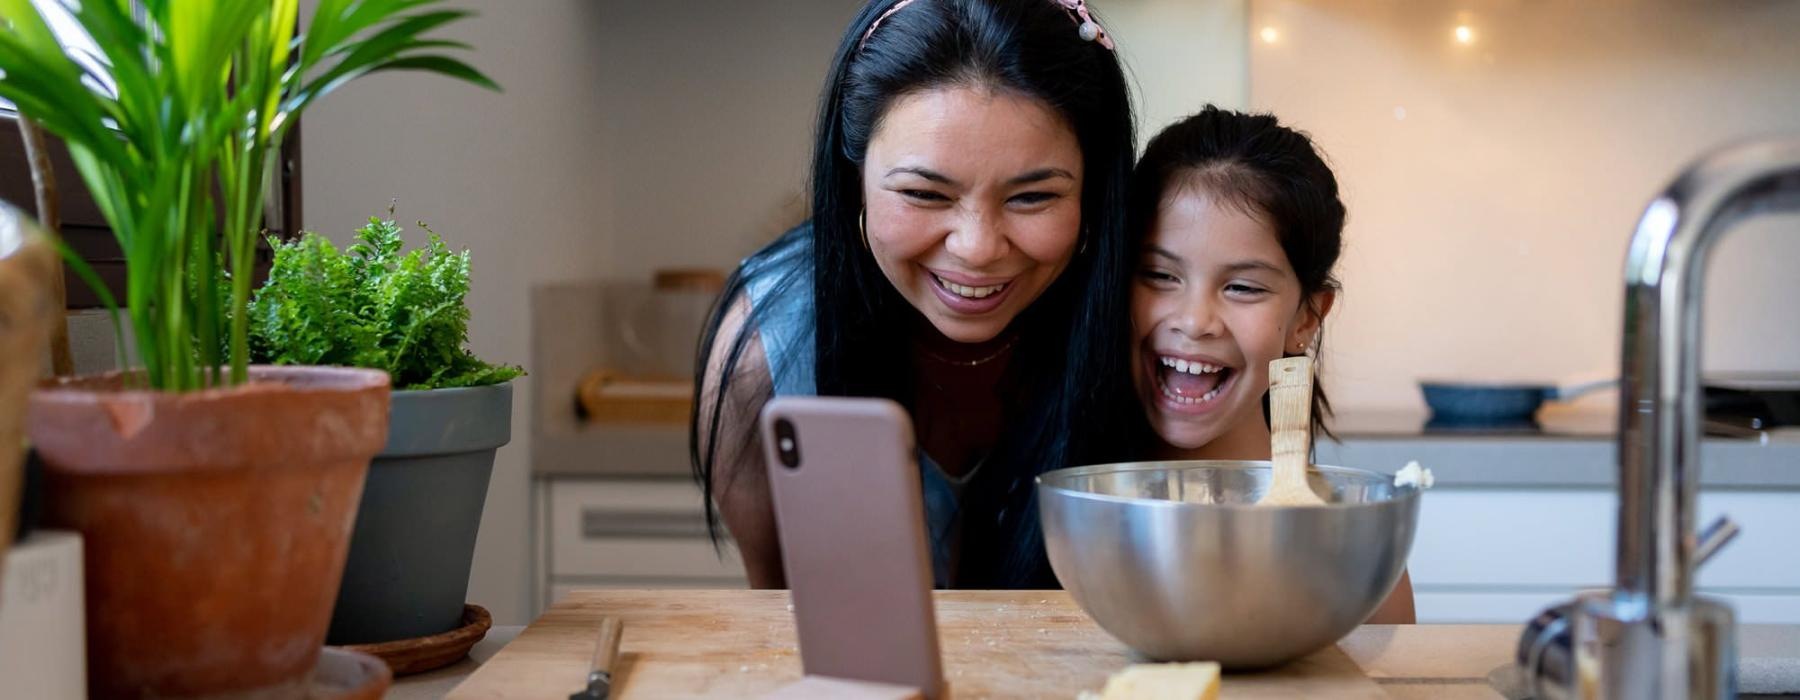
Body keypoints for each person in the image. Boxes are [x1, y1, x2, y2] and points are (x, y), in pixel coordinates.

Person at [691, 0, 1139, 590]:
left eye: (1032, 198)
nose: (977, 248)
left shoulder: (1146, 320)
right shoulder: (766, 358)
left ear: (1093, 193)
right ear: (854, 183)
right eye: (925, 195)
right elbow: (781, 625)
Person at [1127, 106, 1416, 622]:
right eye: (1159, 275)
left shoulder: (1349, 552)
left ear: (1306, 318)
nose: (1195, 321)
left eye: (1242, 287)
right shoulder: (1060, 514)